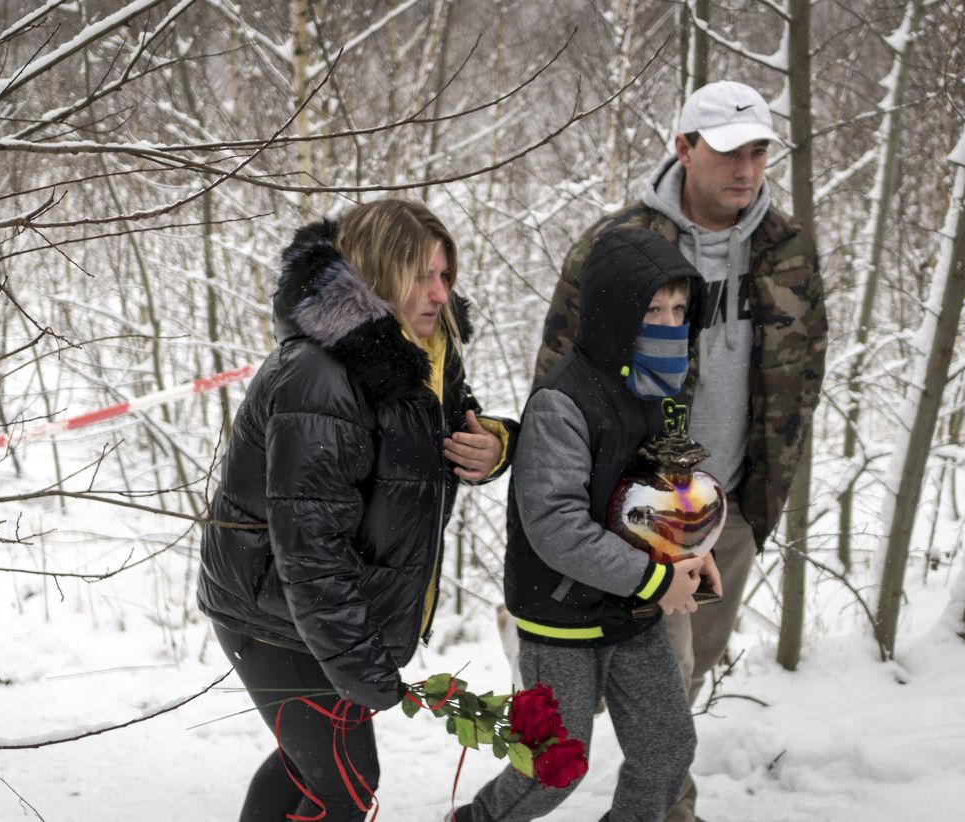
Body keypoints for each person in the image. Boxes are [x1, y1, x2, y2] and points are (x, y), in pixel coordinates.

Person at [534, 81, 828, 822]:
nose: (746, 169)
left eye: (759, 152)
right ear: (684, 148)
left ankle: (648, 792)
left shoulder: (787, 247)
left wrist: (762, 496)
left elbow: (806, 364)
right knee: (669, 668)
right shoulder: (621, 246)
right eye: (729, 152)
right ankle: (668, 809)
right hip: (641, 511)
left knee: (689, 667)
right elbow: (558, 373)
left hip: (730, 509)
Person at [197, 198, 517, 822]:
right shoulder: (320, 374)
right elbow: (309, 542)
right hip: (276, 615)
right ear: (376, 275)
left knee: (310, 769)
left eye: (445, 276)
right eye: (420, 275)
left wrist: (495, 446)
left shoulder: (422, 355)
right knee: (347, 782)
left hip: (325, 613)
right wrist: (359, 662)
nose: (438, 293)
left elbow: (451, 433)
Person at [453, 227, 721, 822]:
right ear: (613, 313)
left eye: (680, 310)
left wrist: (692, 552)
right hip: (562, 620)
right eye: (652, 309)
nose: (669, 323)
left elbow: (659, 496)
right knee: (552, 772)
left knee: (665, 750)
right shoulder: (563, 402)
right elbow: (556, 527)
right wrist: (655, 579)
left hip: (632, 612)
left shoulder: (664, 389)